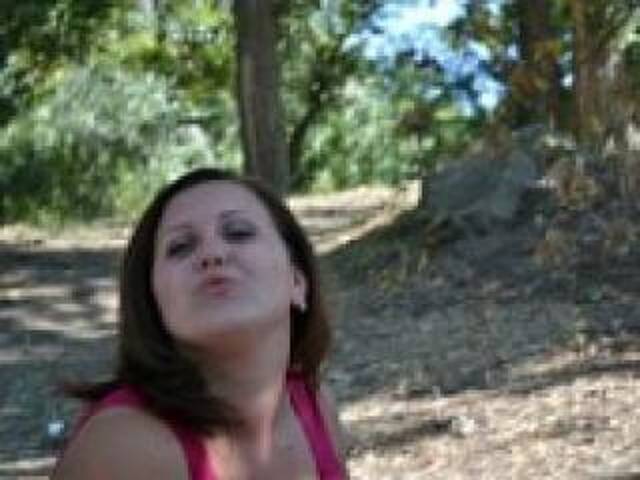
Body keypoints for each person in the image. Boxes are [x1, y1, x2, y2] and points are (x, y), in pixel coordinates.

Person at [52, 167, 348, 479]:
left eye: (238, 232)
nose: (213, 254)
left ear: (297, 282)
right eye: (180, 247)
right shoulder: (126, 447)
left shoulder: (316, 408)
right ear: (153, 302)